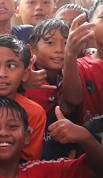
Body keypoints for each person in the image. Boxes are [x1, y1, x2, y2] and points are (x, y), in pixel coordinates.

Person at [25, 18, 73, 159]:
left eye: (66, 42)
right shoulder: (23, 76)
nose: (59, 49)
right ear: (32, 49)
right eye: (50, 43)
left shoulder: (71, 74)